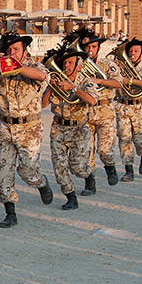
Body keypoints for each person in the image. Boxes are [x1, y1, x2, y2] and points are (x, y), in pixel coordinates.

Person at [0, 33, 53, 228]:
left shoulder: (34, 67)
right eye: (9, 50)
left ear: (25, 51)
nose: (11, 53)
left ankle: (40, 182)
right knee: (3, 173)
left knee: (28, 172)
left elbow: (42, 76)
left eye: (15, 50)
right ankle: (10, 212)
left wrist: (17, 67)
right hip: (5, 128)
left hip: (29, 128)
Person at [42, 45, 98, 210]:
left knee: (77, 167)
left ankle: (88, 176)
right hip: (59, 128)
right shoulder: (56, 80)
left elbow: (92, 100)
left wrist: (73, 88)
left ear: (78, 66)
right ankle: (70, 196)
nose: (66, 66)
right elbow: (42, 104)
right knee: (58, 166)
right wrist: (50, 87)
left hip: (79, 129)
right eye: (64, 63)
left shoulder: (86, 82)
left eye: (70, 62)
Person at [76, 30, 123, 186]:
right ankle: (90, 182)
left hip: (105, 111)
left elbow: (119, 82)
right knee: (86, 151)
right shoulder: (78, 66)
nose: (90, 50)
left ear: (98, 48)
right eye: (87, 47)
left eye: (94, 47)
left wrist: (99, 80)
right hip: (85, 111)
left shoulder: (107, 65)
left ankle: (110, 167)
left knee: (104, 149)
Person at [113, 38, 142, 181]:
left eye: (136, 51)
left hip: (140, 107)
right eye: (130, 51)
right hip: (123, 106)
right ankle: (128, 169)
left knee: (140, 138)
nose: (132, 53)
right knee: (124, 138)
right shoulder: (120, 68)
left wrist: (131, 81)